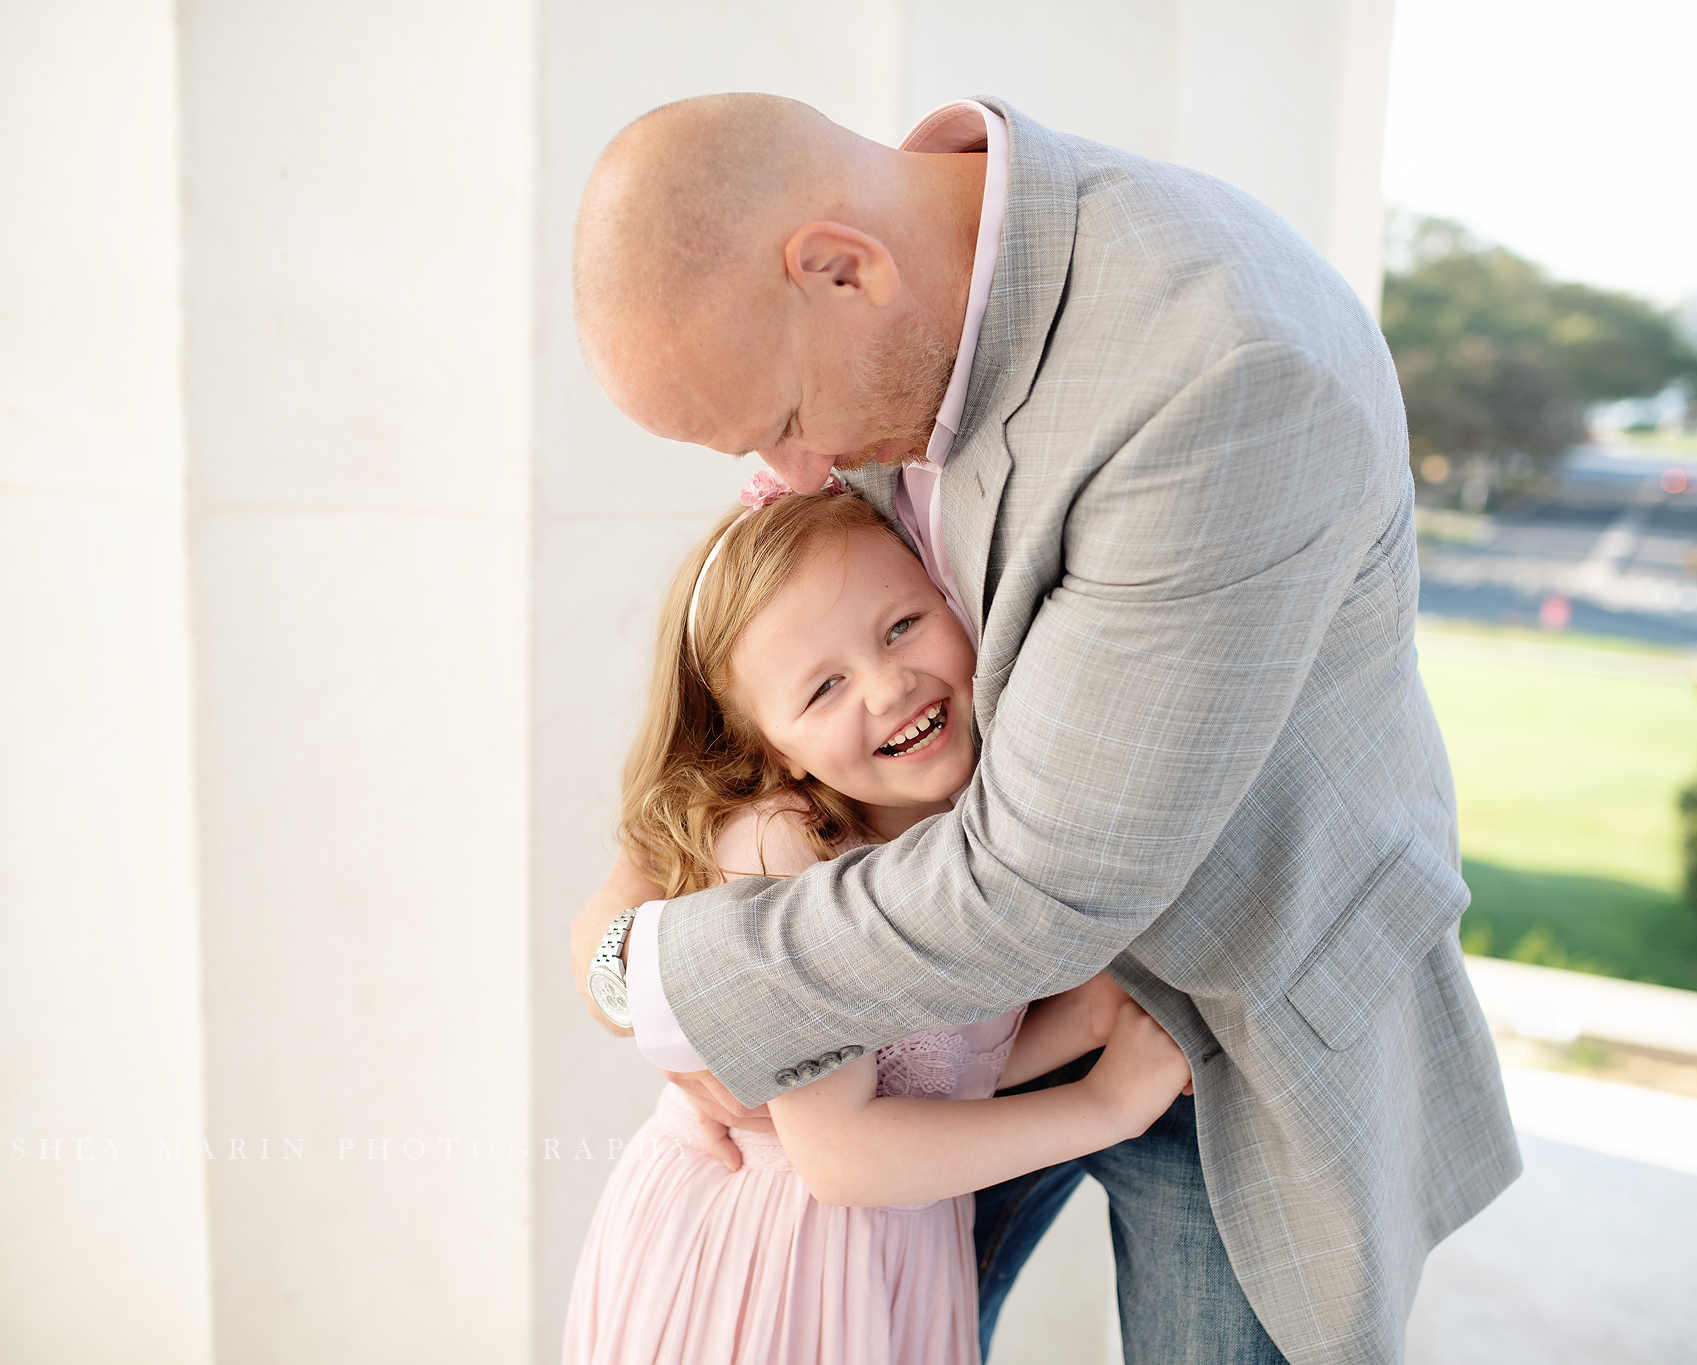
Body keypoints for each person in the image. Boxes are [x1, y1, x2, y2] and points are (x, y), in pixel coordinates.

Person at [568, 92, 1520, 1365]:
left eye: (784, 425)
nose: (792, 478)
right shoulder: (906, 301)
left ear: (839, 270)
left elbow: (1040, 882)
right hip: (931, 1020)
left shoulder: (1219, 369)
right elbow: (734, 713)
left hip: (1222, 1028)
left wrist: (689, 979)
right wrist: (621, 948)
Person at [564, 474, 1192, 1364]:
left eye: (902, 625)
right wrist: (1104, 1102)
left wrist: (1093, 1016)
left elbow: (923, 1074)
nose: (889, 684)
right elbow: (842, 1152)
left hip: (892, 1245)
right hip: (775, 1260)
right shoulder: (784, 846)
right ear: (768, 749)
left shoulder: (970, 814)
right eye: (823, 688)